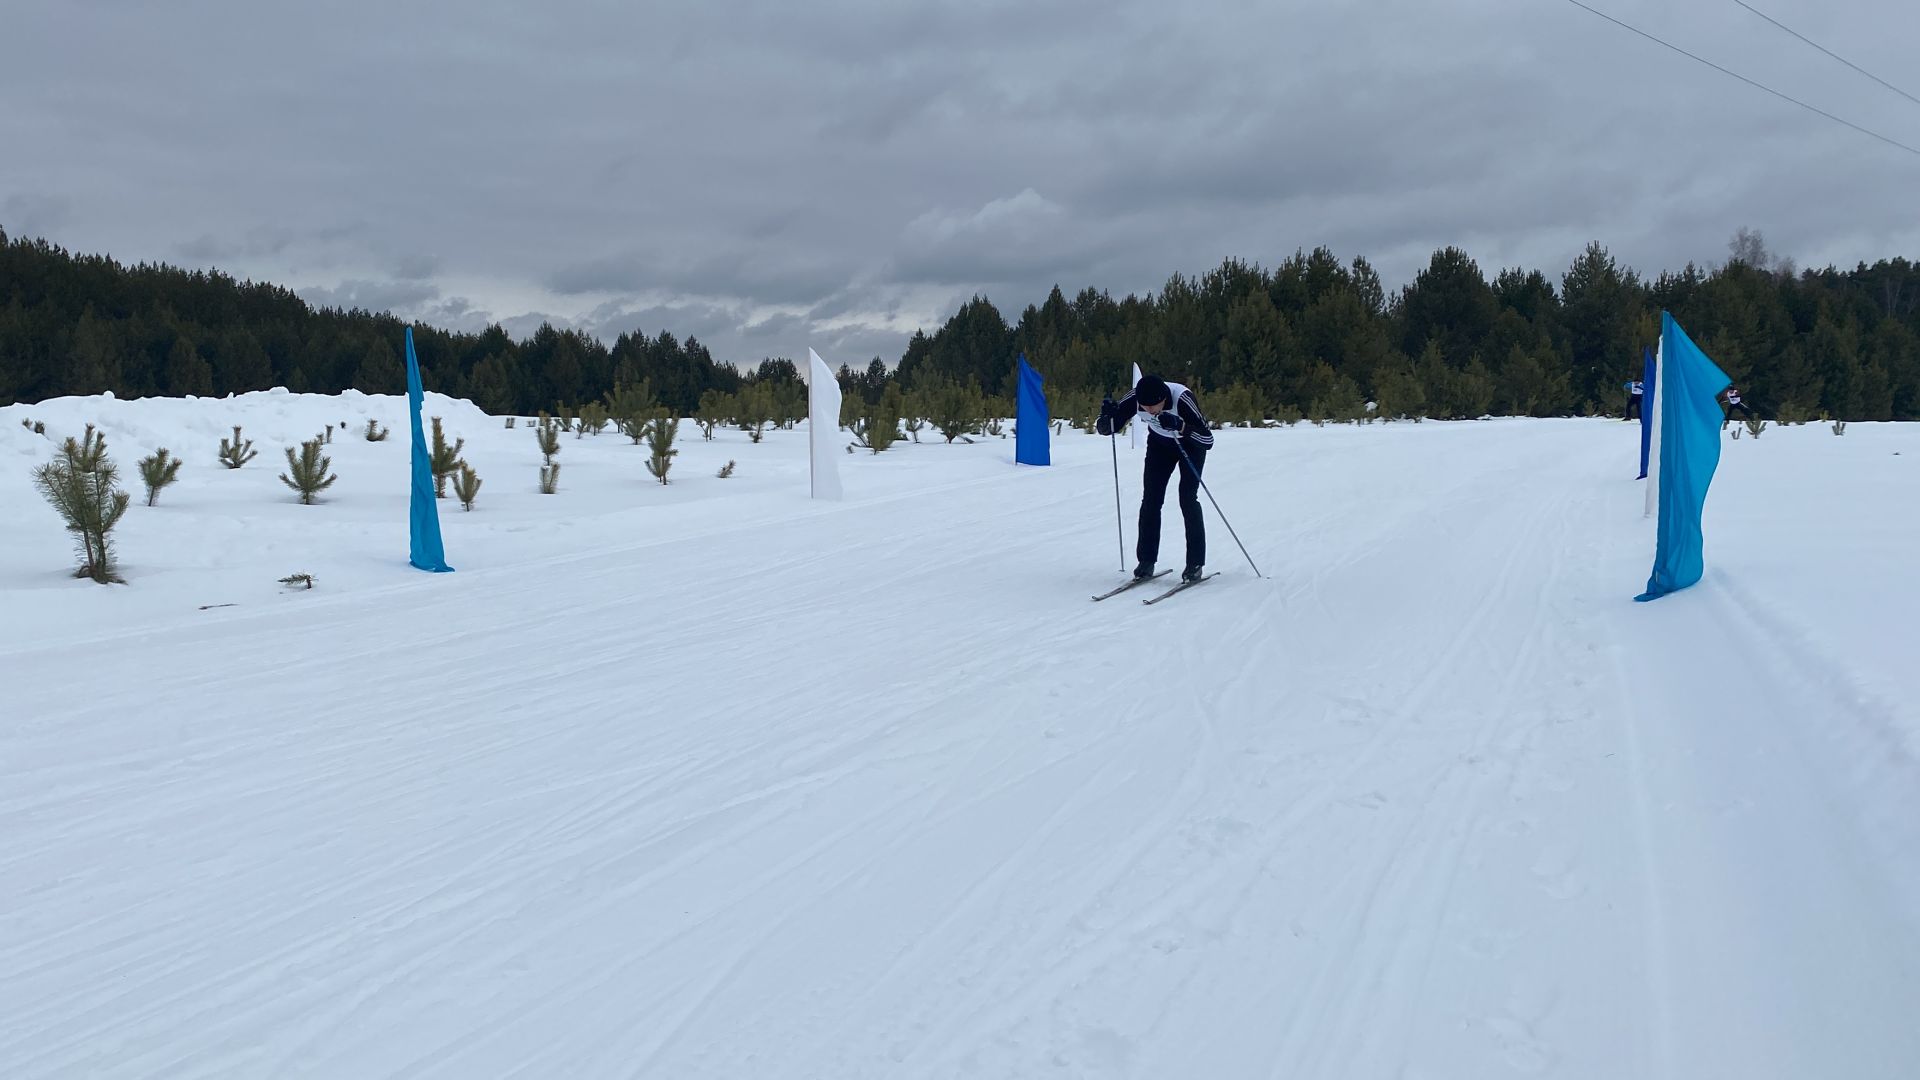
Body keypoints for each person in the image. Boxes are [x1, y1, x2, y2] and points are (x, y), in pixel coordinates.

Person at [1097, 374, 1214, 583]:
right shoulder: (1136, 397)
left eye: (1154, 406)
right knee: (1151, 500)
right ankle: (1146, 561)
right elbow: (1111, 427)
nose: (1149, 410)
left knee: (1187, 499)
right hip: (1160, 445)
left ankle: (1195, 563)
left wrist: (1181, 427)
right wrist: (1106, 421)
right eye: (1145, 406)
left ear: (1164, 398)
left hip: (1190, 446)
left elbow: (1207, 439)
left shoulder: (1182, 399)